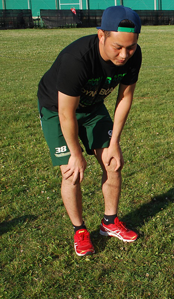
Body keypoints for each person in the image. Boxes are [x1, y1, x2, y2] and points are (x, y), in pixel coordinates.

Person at [37, 6, 142, 256]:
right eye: (117, 47)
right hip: (57, 109)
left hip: (93, 107)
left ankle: (109, 222)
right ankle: (79, 230)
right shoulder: (78, 59)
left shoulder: (133, 56)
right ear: (101, 36)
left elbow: (125, 97)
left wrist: (114, 141)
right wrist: (75, 153)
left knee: (113, 162)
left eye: (131, 47)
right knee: (71, 172)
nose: (124, 55)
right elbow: (66, 113)